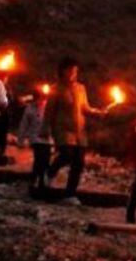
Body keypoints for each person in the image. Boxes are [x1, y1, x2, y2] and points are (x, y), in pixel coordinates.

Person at [42, 57, 106, 203]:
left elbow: (85, 108)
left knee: (79, 163)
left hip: (79, 131)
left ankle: (70, 194)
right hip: (62, 129)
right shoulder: (56, 89)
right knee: (67, 155)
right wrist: (45, 129)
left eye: (75, 70)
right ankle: (50, 172)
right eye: (70, 70)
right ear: (63, 71)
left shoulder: (80, 88)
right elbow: (49, 112)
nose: (73, 73)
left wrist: (97, 113)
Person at [18, 86, 50, 192]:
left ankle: (42, 182)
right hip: (35, 137)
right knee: (39, 158)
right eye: (38, 98)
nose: (40, 101)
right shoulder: (30, 108)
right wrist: (21, 139)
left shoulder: (48, 107)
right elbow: (24, 124)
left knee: (45, 160)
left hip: (47, 138)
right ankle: (35, 180)